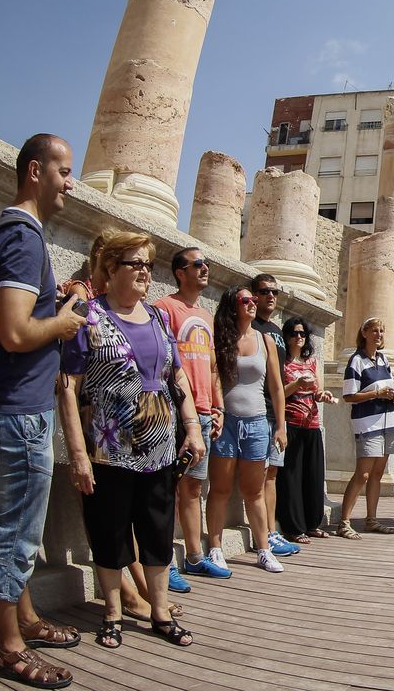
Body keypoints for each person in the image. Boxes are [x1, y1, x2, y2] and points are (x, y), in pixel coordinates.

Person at [57, 230, 203, 651]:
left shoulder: (157, 318)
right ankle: (113, 613)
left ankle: (159, 612)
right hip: (108, 448)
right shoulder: (89, 315)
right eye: (133, 263)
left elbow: (177, 377)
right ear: (110, 268)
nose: (143, 271)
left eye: (147, 264)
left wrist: (192, 427)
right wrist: (78, 455)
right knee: (110, 532)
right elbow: (68, 386)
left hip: (160, 448)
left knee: (157, 531)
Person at [0, 134, 85, 688]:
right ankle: (10, 647)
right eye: (64, 171)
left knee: (18, 528)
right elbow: (17, 332)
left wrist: (56, 302)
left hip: (19, 407)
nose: (71, 182)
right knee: (15, 534)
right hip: (19, 410)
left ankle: (25, 618)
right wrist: (65, 323)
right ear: (33, 171)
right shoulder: (22, 238)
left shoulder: (19, 236)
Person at [154, 248, 232, 582]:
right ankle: (165, 561)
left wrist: (218, 406)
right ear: (179, 273)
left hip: (202, 413)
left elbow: (212, 366)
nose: (205, 269)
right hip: (173, 412)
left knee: (194, 488)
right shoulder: (163, 308)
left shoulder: (206, 314)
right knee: (168, 488)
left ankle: (195, 556)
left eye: (206, 265)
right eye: (197, 264)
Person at [207, 286, 288, 573]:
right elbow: (213, 379)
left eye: (254, 299)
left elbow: (276, 387)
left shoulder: (265, 340)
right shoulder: (220, 338)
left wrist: (281, 426)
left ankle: (263, 549)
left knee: (254, 491)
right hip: (226, 421)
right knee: (220, 489)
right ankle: (215, 549)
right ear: (233, 305)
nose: (253, 303)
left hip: (256, 421)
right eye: (247, 300)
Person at [337, 317, 394, 538]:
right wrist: (377, 393)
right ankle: (344, 522)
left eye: (382, 331)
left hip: (388, 421)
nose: (379, 334)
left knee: (377, 473)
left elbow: (389, 385)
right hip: (367, 423)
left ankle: (371, 519)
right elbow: (349, 396)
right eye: (374, 330)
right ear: (364, 333)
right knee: (363, 474)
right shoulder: (356, 361)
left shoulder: (383, 359)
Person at [250, 274, 299, 558]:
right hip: (256, 409)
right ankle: (263, 536)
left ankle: (271, 531)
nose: (271, 296)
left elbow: (279, 378)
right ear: (253, 295)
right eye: (264, 291)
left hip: (275, 412)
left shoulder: (277, 331)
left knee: (272, 475)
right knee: (258, 477)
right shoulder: (251, 327)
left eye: (275, 292)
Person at [277, 316, 336, 542]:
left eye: (303, 334)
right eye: (294, 333)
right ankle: (293, 527)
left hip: (311, 424)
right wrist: (297, 384)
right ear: (287, 336)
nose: (299, 337)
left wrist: (324, 395)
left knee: (313, 475)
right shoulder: (282, 362)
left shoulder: (311, 362)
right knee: (291, 476)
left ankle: (312, 523)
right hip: (290, 423)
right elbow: (279, 393)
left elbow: (317, 392)